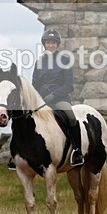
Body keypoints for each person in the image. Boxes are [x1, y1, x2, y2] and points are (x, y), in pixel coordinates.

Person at [31, 29, 84, 167]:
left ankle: (77, 151)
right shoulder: (39, 63)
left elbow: (69, 86)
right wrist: (38, 99)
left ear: (57, 44)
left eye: (53, 43)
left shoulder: (65, 61)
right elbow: (34, 85)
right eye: (48, 42)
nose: (50, 45)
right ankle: (19, 153)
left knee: (71, 117)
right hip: (42, 101)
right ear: (44, 44)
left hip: (60, 99)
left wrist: (53, 95)